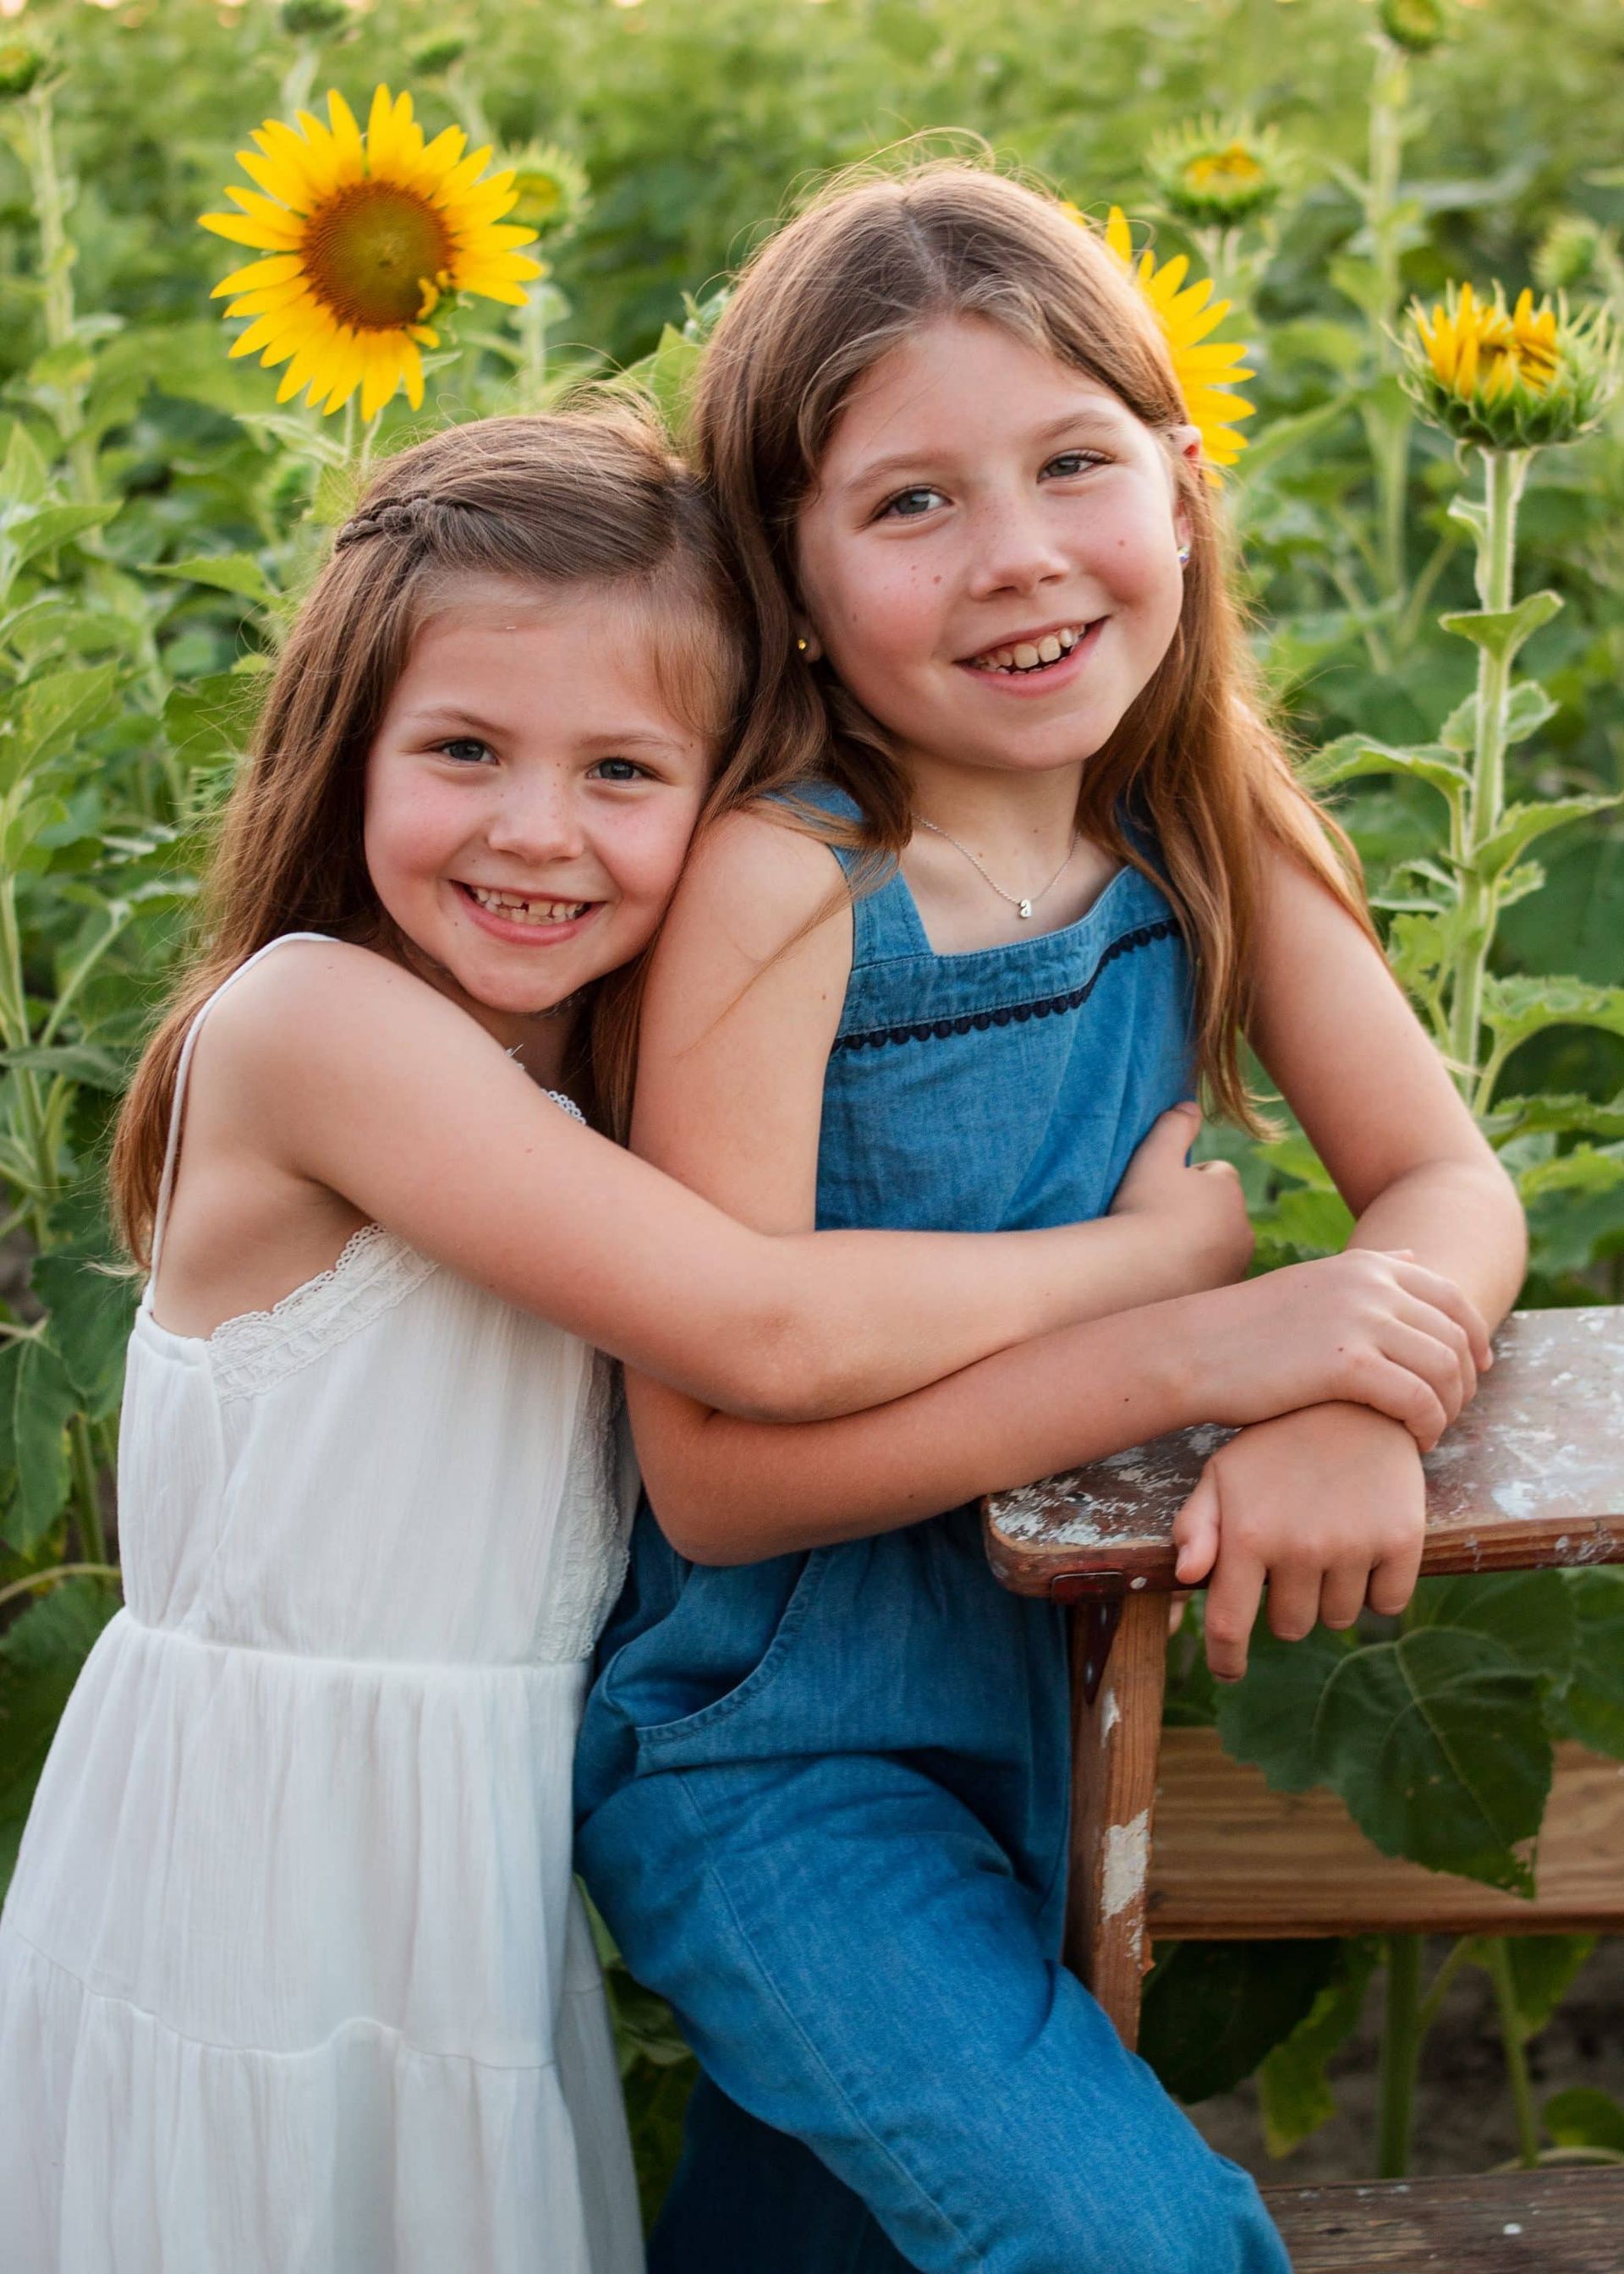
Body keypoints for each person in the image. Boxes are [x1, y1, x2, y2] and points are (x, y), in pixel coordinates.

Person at [0, 408, 1369, 2274]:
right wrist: (1166, 1279)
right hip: (254, 1876)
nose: (536, 830)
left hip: (452, 1878)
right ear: (345, 758)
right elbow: (766, 1327)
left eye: (625, 772)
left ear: (720, 796)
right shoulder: (319, 1027)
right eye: (464, 750)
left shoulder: (582, 1038)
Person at [575, 167, 1528, 2274]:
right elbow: (713, 1481)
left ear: (1183, 488)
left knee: (819, 2240)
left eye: (1075, 463)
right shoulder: (789, 885)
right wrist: (1196, 1350)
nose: (1016, 558)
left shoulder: (1204, 824)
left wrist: (1364, 1397)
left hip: (1071, 1699)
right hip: (780, 1755)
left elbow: (1447, 1181)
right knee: (1133, 2246)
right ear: (792, 582)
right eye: (911, 502)